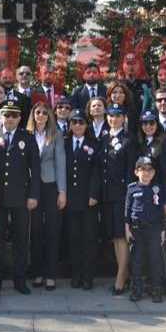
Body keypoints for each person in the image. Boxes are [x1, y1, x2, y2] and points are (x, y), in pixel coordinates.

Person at [0, 97, 40, 295]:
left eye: (14, 115)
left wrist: (33, 195)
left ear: (19, 118)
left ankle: (20, 280)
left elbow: (35, 169)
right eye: (6, 115)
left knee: (20, 241)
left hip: (20, 197)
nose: (10, 119)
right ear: (1, 117)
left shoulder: (28, 138)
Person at [126, 111, 166, 294]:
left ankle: (163, 282)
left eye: (152, 123)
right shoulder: (138, 143)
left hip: (157, 197)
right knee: (140, 251)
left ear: (157, 124)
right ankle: (141, 283)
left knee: (158, 248)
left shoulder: (163, 143)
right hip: (140, 197)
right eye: (144, 123)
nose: (148, 126)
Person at [27, 101, 66, 291]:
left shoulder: (56, 135)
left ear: (49, 115)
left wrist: (62, 191)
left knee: (52, 230)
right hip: (32, 189)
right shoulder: (26, 135)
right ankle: (37, 273)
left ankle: (51, 274)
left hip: (51, 186)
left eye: (44, 112)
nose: (40, 115)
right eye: (37, 112)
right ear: (33, 115)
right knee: (35, 231)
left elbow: (61, 163)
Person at [64, 112, 100, 290]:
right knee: (73, 238)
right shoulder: (63, 143)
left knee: (88, 239)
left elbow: (97, 171)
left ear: (87, 125)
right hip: (70, 199)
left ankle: (88, 276)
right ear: (70, 125)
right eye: (74, 122)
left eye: (81, 122)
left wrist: (94, 194)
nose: (77, 125)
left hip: (88, 200)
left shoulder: (94, 144)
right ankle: (75, 275)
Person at [125, 156, 166, 303]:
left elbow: (161, 212)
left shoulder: (157, 189)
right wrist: (127, 229)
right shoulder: (132, 189)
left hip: (154, 230)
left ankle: (156, 289)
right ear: (136, 172)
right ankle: (137, 290)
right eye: (143, 169)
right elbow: (127, 211)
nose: (146, 173)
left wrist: (162, 231)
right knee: (136, 261)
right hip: (137, 230)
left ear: (154, 173)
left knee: (155, 261)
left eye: (150, 170)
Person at [102, 104, 132, 295]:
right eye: (111, 116)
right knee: (115, 237)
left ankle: (121, 277)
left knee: (122, 236)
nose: (114, 119)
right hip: (107, 194)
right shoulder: (104, 138)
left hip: (122, 194)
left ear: (123, 118)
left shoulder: (128, 140)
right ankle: (124, 273)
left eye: (118, 116)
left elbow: (130, 171)